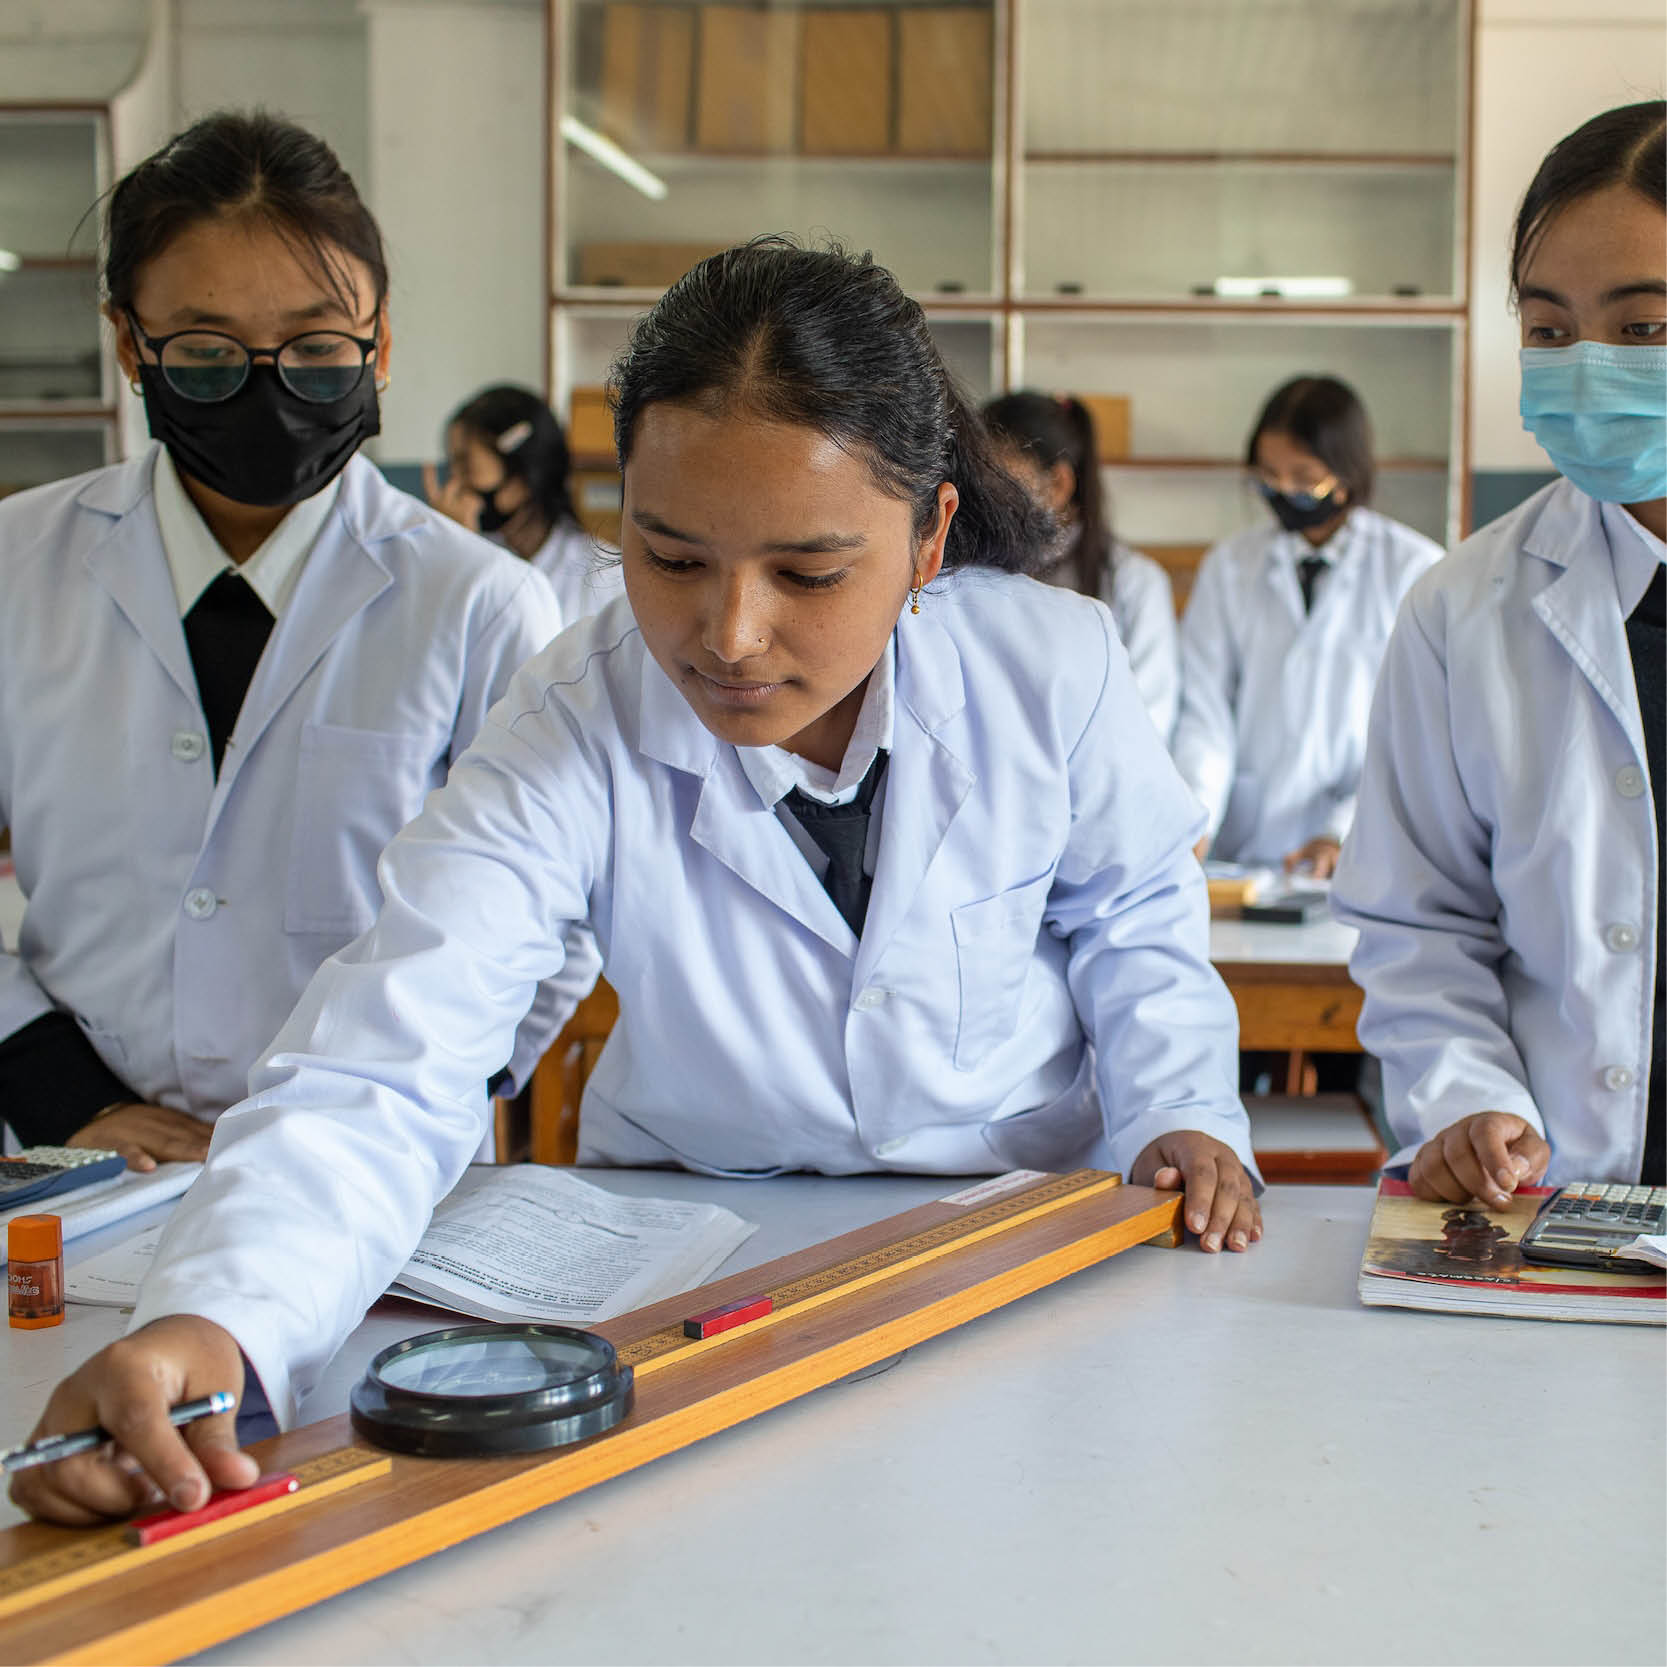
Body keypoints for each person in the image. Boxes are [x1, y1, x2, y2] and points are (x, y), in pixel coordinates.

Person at [14, 237, 1261, 1526]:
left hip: (1014, 1241)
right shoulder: (574, 710)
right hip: (702, 1249)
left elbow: (1131, 913)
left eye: (807, 574)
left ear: (929, 536)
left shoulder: (1048, 663)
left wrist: (1172, 1107)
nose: (728, 635)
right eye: (669, 559)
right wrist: (215, 1322)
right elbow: (394, 1047)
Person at [0, 111, 576, 1172]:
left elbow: (550, 922)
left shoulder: (480, 605)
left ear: (379, 344)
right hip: (79, 1164)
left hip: (381, 1167)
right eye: (207, 354)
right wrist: (64, 1098)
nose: (266, 387)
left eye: (315, 350)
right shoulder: (16, 568)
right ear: (129, 344)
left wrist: (393, 1107)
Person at [1332, 100, 1665, 1201]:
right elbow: (1415, 920)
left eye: (1642, 328)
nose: (1589, 369)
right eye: (1549, 329)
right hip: (1556, 1207)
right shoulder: (1462, 607)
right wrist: (1469, 1096)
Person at [1170, 376, 1443, 876]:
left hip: (1365, 845)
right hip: (1243, 847)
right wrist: (1193, 822)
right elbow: (1205, 712)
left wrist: (1343, 829)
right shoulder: (1230, 566)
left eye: (1303, 478)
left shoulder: (1414, 570)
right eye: (1268, 476)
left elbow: (1421, 731)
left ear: (1347, 474)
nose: (1283, 492)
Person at [981, 392, 1180, 740]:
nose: (982, 498)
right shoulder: (974, 575)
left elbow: (1149, 721)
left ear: (1058, 484)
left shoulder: (1135, 582)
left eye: (998, 481)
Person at [424, 384, 624, 626]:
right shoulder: (470, 552)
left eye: (466, 466)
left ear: (520, 477)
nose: (454, 485)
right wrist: (454, 552)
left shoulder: (605, 579)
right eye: (452, 467)